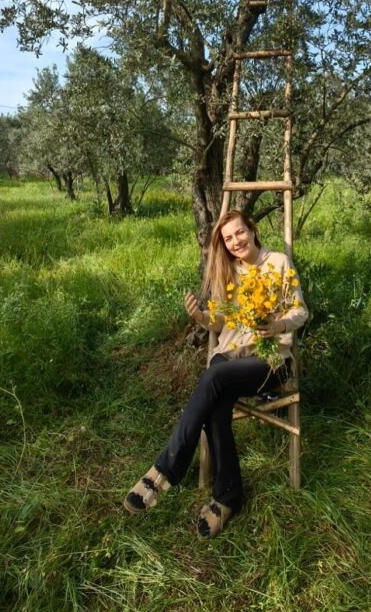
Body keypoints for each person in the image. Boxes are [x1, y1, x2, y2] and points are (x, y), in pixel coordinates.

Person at [123, 209, 308, 537]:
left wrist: (277, 324)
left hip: (269, 363)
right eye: (228, 238)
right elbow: (221, 324)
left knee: (213, 376)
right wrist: (200, 317)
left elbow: (300, 311)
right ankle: (227, 496)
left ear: (252, 230)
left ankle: (169, 467)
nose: (235, 241)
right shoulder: (230, 272)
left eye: (239, 232)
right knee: (217, 405)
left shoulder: (278, 262)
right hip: (231, 359)